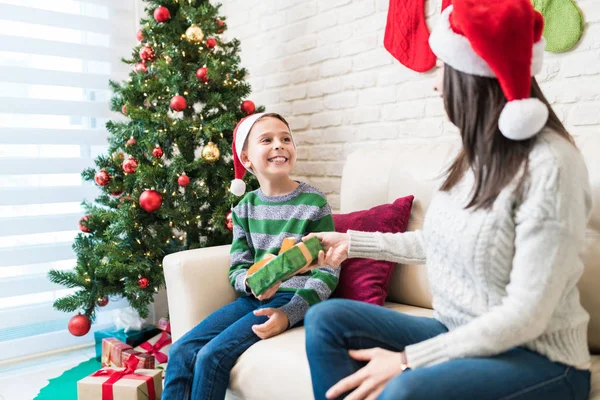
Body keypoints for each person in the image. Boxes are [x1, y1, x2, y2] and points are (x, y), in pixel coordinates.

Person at [303, 1, 592, 399]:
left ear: (472, 78)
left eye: (443, 68)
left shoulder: (552, 164)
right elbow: (439, 239)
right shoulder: (477, 156)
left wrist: (409, 359)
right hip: (461, 329)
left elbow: (527, 316)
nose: (436, 83)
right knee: (325, 320)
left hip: (541, 358)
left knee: (405, 389)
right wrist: (353, 242)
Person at [163, 112, 339, 400]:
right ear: (246, 159)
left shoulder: (314, 203)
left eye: (285, 139)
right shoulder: (245, 207)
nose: (279, 145)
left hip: (292, 299)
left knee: (211, 357)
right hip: (253, 298)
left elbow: (328, 272)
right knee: (182, 349)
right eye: (267, 140)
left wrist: (289, 314)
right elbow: (237, 267)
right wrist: (251, 282)